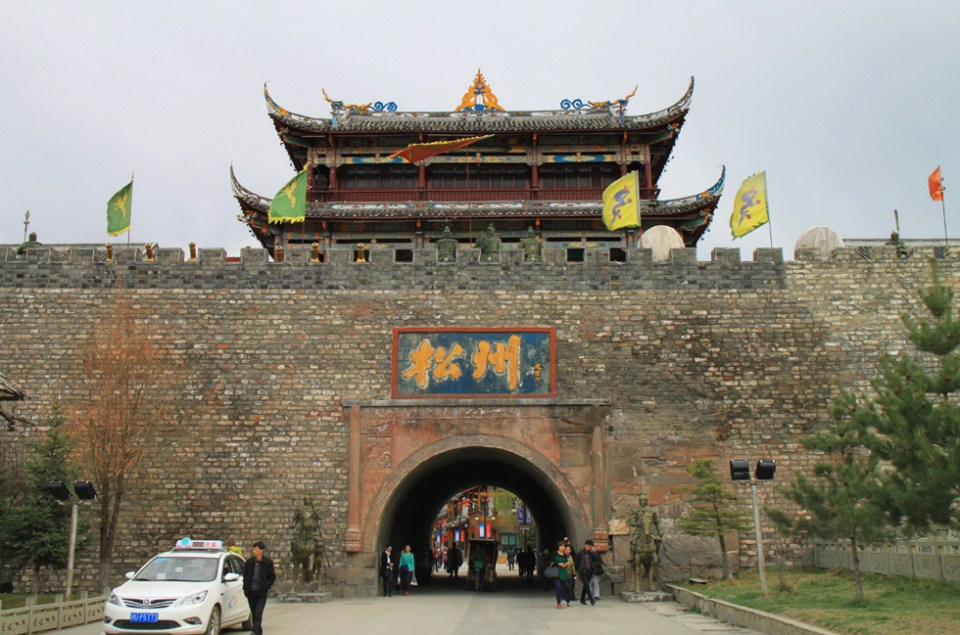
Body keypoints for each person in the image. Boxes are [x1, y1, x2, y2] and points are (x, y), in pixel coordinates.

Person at [243, 541, 276, 635]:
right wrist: (245, 588)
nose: (254, 551)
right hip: (251, 592)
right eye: (253, 549)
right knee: (254, 612)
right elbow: (245, 576)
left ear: (261, 550)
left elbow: (272, 576)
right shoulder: (249, 563)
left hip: (261, 592)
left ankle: (254, 631)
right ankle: (258, 631)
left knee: (258, 612)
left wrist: (266, 585)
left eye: (256, 549)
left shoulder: (268, 562)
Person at [576, 539, 598, 606]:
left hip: (590, 571)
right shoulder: (580, 553)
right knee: (587, 585)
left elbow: (597, 559)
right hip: (583, 571)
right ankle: (591, 599)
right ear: (585, 545)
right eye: (588, 546)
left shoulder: (591, 553)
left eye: (590, 546)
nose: (589, 547)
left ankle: (582, 599)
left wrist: (594, 552)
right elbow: (576, 563)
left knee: (585, 585)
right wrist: (576, 571)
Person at [552, 541, 570, 608]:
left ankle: (561, 600)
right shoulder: (554, 554)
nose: (562, 547)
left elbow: (566, 562)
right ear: (558, 547)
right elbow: (552, 563)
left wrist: (566, 564)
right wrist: (558, 563)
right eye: (561, 546)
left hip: (563, 573)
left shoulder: (565, 555)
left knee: (563, 588)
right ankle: (558, 603)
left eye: (563, 546)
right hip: (556, 572)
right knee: (558, 587)